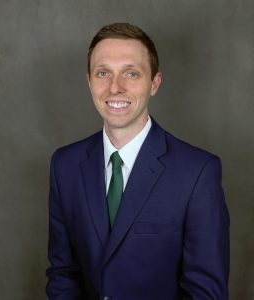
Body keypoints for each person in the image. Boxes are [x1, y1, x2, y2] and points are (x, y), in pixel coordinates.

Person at [46, 23, 230, 300]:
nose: (115, 87)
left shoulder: (197, 172)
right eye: (103, 73)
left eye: (131, 73)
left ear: (154, 83)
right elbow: (63, 272)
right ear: (89, 81)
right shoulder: (65, 165)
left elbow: (206, 293)